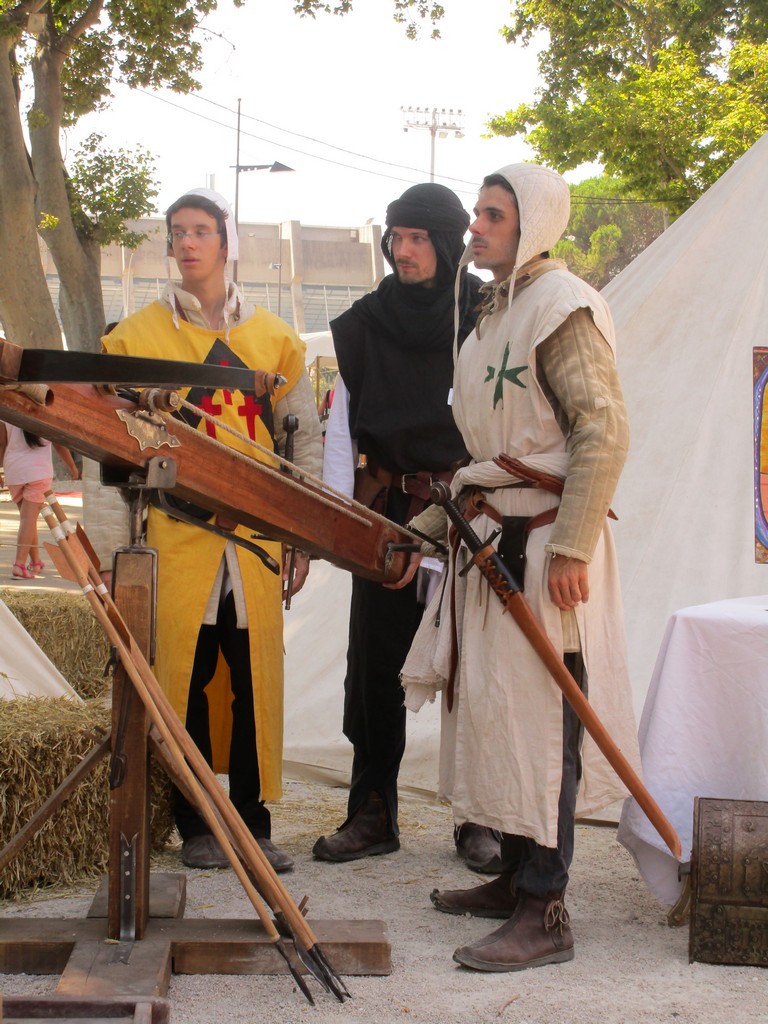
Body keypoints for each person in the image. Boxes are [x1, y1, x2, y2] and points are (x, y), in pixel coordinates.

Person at [399, 163, 641, 971]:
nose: (477, 226)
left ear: (532, 222)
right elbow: (487, 460)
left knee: (543, 727)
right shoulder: (490, 316)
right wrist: (424, 529)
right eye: (477, 212)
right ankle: (512, 876)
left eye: (494, 214)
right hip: (491, 538)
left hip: (541, 547)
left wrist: (572, 545)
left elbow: (602, 429)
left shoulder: (561, 307)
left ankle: (546, 909)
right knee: (501, 717)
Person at [102, 188, 323, 872]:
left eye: (201, 230)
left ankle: (253, 824)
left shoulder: (275, 340)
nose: (188, 242)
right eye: (177, 232)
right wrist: (111, 553)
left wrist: (302, 535)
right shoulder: (134, 339)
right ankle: (197, 823)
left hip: (253, 541)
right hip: (175, 537)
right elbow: (107, 453)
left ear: (227, 244)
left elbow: (303, 445)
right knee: (185, 676)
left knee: (254, 680)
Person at [313, 183, 501, 871]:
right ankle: (372, 810)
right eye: (396, 236)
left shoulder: (488, 315)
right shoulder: (364, 324)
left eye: (419, 237)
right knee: (375, 664)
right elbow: (343, 429)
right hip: (391, 512)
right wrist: (339, 520)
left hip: (470, 512)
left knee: (477, 665)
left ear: (447, 243)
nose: (404, 249)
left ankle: (480, 816)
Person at [0, 422, 79, 578]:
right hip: (38, 472)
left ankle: (36, 561)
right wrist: (72, 467)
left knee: (28, 520)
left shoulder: (7, 414)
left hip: (14, 471)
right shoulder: (43, 416)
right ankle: (19, 564)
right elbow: (58, 444)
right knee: (28, 520)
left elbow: (2, 444)